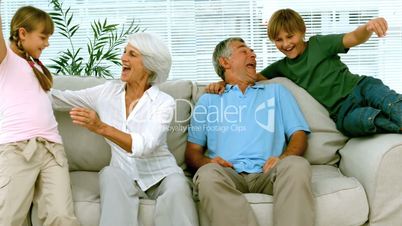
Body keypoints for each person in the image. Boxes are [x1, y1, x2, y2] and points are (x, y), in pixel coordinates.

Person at [51, 32, 199, 226]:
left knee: (178, 187)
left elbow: (144, 146)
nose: (123, 58)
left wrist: (101, 127)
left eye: (132, 54)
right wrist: (23, 81)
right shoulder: (106, 92)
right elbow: (59, 97)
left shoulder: (164, 103)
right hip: (122, 176)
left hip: (161, 175)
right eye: (124, 52)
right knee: (109, 174)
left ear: (149, 64)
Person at [206, 8, 402, 137]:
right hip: (342, 112)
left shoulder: (318, 44)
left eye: (290, 36)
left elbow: (353, 37)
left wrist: (368, 27)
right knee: (367, 122)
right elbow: (248, 77)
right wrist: (223, 83)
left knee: (392, 105)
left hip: (361, 88)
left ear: (302, 32)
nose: (286, 44)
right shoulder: (281, 67)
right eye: (278, 40)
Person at [186, 37, 314, 226]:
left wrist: (284, 157)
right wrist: (209, 162)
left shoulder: (277, 92)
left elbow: (299, 135)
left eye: (252, 51)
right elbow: (192, 153)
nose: (253, 54)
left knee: (296, 165)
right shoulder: (208, 100)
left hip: (269, 172)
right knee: (207, 175)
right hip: (227, 173)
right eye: (244, 51)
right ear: (225, 62)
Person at [0, 5, 80, 226]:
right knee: (8, 218)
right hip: (17, 149)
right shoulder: (5, 60)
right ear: (23, 33)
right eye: (43, 37)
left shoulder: (34, 65)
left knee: (62, 217)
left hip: (52, 150)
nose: (47, 43)